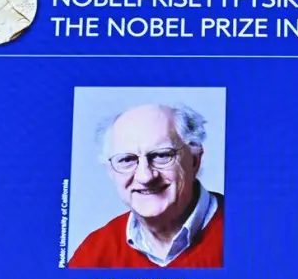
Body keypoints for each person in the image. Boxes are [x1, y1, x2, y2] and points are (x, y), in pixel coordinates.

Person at [68, 103, 225, 269]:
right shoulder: (94, 252)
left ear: (194, 160)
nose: (145, 177)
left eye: (162, 155)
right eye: (127, 160)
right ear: (110, 171)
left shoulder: (247, 233)